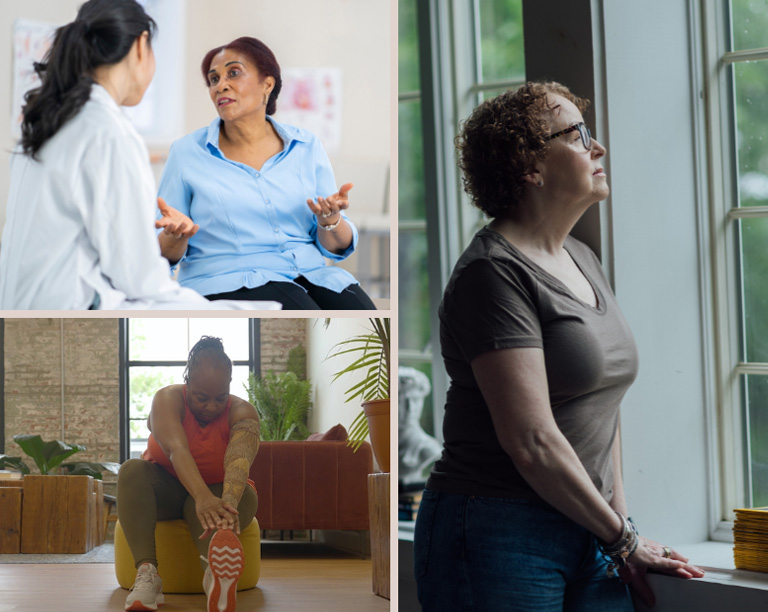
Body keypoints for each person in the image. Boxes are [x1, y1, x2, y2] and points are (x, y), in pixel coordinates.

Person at [413, 81, 705, 611]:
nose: (598, 148)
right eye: (577, 135)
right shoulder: (492, 274)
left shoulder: (581, 257)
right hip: (496, 528)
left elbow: (602, 406)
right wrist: (624, 540)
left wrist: (619, 529)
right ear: (530, 166)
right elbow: (533, 440)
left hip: (587, 525)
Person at [0, 0, 274, 310]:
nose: (221, 86)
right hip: (68, 308)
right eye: (214, 79)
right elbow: (142, 280)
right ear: (142, 45)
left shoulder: (45, 123)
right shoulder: (108, 132)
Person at [154, 36, 377, 310]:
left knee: (363, 315)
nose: (220, 85)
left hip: (311, 273)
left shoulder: (306, 146)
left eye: (233, 73)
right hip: (228, 280)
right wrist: (176, 234)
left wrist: (330, 220)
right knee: (305, 313)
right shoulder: (187, 153)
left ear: (266, 84)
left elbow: (335, 247)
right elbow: (162, 255)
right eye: (213, 79)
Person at [118, 336, 260, 612]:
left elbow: (238, 464)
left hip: (226, 492)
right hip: (165, 490)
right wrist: (201, 496)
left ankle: (216, 576)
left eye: (220, 398)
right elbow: (176, 449)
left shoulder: (243, 412)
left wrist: (225, 506)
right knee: (132, 470)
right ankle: (147, 575)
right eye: (201, 398)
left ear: (230, 385)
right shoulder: (167, 399)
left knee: (211, 502)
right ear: (188, 383)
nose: (211, 406)